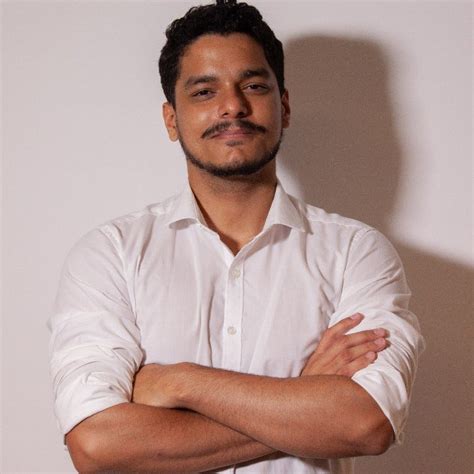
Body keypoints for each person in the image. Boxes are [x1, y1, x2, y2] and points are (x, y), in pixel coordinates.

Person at [48, 1, 424, 472]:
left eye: (254, 86)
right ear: (171, 119)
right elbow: (97, 445)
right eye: (204, 91)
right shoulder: (111, 254)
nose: (232, 106)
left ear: (284, 107)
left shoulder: (356, 252)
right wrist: (304, 399)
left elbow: (364, 424)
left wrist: (180, 382)